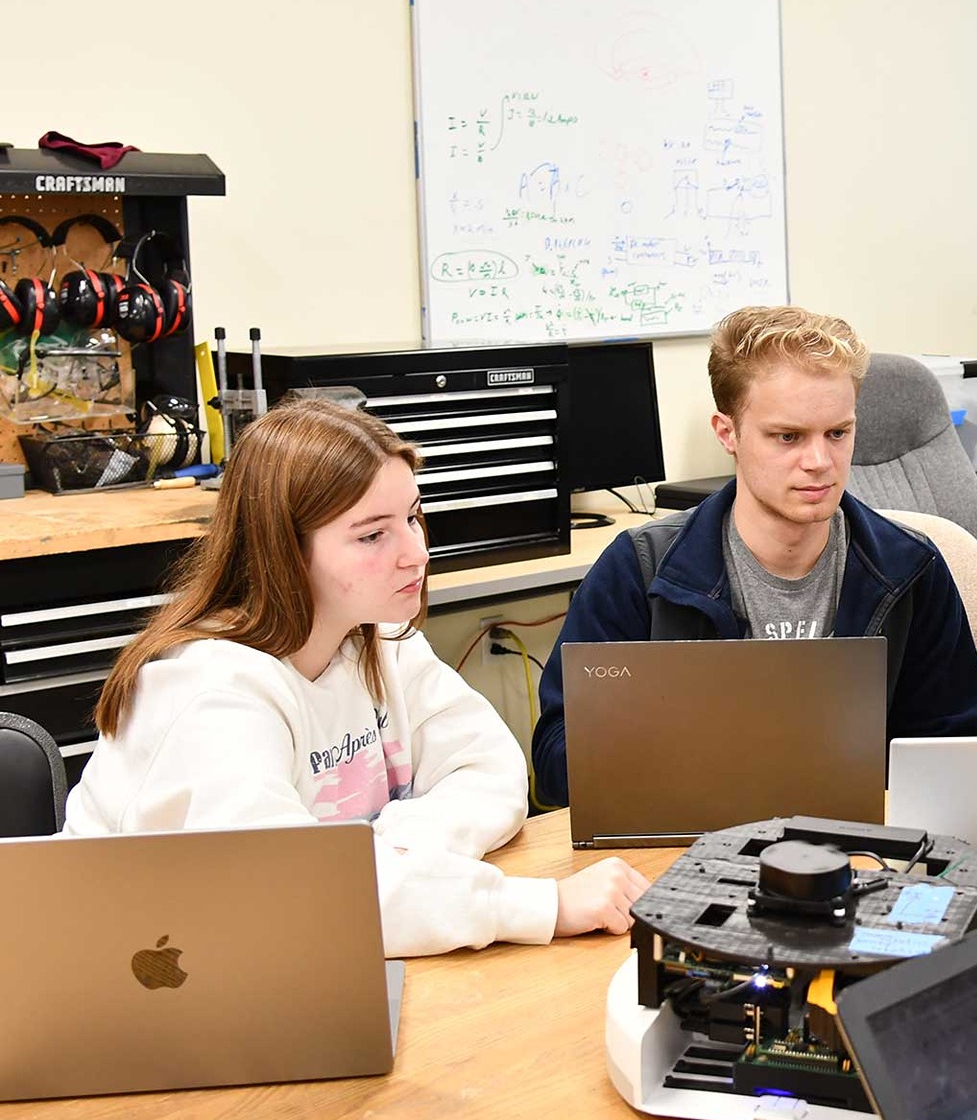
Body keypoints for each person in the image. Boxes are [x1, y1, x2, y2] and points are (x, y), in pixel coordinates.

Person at [65, 399, 647, 957]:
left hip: (294, 963)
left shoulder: (378, 637)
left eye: (413, 516)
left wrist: (394, 851)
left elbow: (491, 768)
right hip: (142, 990)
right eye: (373, 535)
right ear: (284, 551)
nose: (415, 552)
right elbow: (303, 898)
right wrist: (537, 907)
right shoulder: (210, 694)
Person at [531, 306, 977, 803]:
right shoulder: (638, 570)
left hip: (857, 850)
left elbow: (952, 755)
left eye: (838, 433)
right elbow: (559, 763)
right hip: (687, 842)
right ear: (728, 433)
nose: (819, 463)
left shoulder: (910, 570)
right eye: (787, 437)